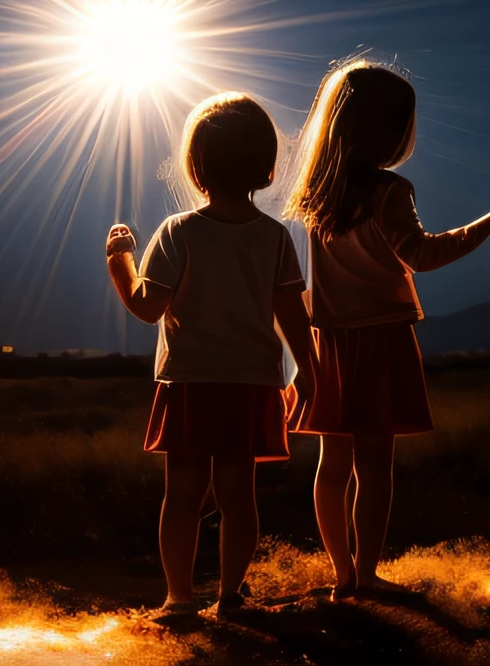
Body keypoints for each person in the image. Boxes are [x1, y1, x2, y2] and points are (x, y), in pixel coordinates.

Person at [285, 61, 490, 599]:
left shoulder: (317, 191)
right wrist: (489, 224)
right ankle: (367, 577)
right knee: (375, 466)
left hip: (329, 341)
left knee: (333, 465)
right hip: (380, 342)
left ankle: (342, 575)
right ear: (388, 129)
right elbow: (419, 255)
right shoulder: (390, 190)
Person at [106, 92, 319, 619]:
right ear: (266, 167)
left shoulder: (178, 232)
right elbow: (294, 316)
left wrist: (120, 261)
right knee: (238, 499)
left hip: (189, 386)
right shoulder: (273, 238)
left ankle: (178, 599)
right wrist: (309, 376)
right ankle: (229, 597)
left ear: (196, 167)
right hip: (250, 387)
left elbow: (146, 308)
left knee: (182, 498)